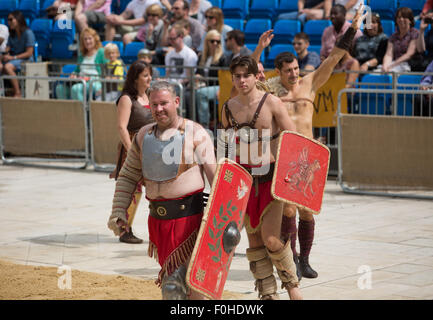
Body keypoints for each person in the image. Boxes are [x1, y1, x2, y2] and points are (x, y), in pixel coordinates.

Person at [251, 5, 367, 281]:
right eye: (288, 70)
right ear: (277, 71)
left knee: (307, 212)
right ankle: (289, 261)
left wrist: (352, 27)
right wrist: (258, 49)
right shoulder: (271, 89)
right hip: (285, 157)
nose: (294, 73)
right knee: (288, 209)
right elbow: (247, 75)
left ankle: (304, 259)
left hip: (309, 157)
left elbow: (335, 57)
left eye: (295, 68)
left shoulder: (310, 84)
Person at [108, 80, 216, 299]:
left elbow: (217, 182)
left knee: (184, 286)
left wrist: (222, 222)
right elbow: (128, 175)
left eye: (164, 103)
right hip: (158, 222)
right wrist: (119, 211)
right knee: (178, 283)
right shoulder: (142, 135)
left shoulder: (196, 133)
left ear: (176, 102)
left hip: (189, 222)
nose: (159, 109)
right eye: (154, 104)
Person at [220, 55, 302, 300]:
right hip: (243, 183)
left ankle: (293, 288)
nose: (242, 80)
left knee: (272, 240)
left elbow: (294, 138)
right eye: (238, 76)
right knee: (254, 243)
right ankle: (267, 294)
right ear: (232, 78)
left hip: (270, 179)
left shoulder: (272, 103)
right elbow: (226, 150)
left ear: (256, 76)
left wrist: (291, 177)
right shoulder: (228, 107)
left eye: (247, 75)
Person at [109, 60, 155, 243]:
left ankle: (160, 228)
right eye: (145, 75)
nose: (149, 78)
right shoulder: (127, 99)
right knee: (131, 191)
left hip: (152, 149)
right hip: (133, 149)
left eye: (150, 74)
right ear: (135, 79)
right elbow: (121, 128)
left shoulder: (150, 96)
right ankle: (123, 230)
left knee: (157, 189)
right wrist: (132, 152)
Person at [55, 27, 107, 101]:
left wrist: (104, 85)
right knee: (59, 88)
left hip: (95, 81)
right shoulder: (82, 55)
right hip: (81, 80)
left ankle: (83, 112)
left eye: (90, 38)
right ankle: (65, 112)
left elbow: (107, 69)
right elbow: (77, 70)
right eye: (85, 39)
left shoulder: (101, 52)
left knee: (76, 89)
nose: (87, 41)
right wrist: (73, 74)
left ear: (95, 39)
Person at [320, 4, 362, 87]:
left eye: (335, 14)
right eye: (331, 14)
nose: (332, 16)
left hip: (346, 67)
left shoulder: (355, 32)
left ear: (344, 15)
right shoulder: (326, 31)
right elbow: (323, 54)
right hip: (330, 67)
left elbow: (358, 54)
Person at [0, 10, 35, 98]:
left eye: (11, 19)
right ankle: (7, 90)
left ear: (18, 19)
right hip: (14, 59)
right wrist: (4, 56)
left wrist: (12, 57)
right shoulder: (12, 34)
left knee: (8, 67)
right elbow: (7, 49)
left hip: (26, 59)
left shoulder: (28, 33)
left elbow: (29, 53)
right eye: (8, 20)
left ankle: (18, 92)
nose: (9, 22)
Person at [195, 29, 225, 128]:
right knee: (187, 93)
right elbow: (197, 73)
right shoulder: (202, 57)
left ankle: (204, 125)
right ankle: (191, 121)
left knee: (200, 93)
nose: (215, 43)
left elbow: (225, 77)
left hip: (219, 86)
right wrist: (197, 77)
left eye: (218, 41)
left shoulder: (222, 58)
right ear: (207, 42)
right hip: (203, 85)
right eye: (212, 41)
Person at [381, 7, 420, 73]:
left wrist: (392, 65)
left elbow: (409, 54)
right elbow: (388, 54)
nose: (401, 19)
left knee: (390, 74)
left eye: (404, 17)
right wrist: (385, 66)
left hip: (407, 64)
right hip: (394, 64)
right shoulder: (393, 36)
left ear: (410, 20)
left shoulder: (415, 33)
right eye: (399, 17)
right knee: (376, 73)